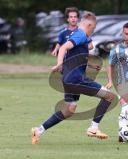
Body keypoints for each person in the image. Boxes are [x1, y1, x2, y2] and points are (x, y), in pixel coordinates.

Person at [31, 12, 115, 145]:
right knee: (109, 96)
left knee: (68, 111)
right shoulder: (81, 34)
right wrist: (59, 63)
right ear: (88, 24)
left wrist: (89, 65)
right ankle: (93, 128)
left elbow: (73, 56)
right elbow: (64, 47)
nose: (92, 31)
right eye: (93, 28)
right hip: (76, 79)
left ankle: (38, 130)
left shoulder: (75, 35)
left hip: (68, 79)